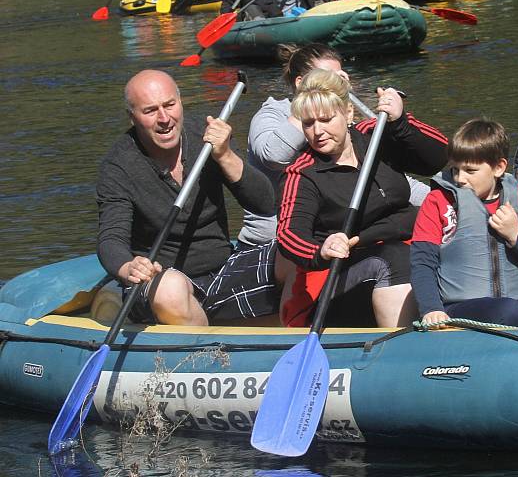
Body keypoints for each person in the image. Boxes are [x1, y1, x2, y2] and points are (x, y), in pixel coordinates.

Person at [96, 70, 280, 326]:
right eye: (150, 111)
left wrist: (225, 156)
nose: (164, 118)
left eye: (170, 105)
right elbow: (111, 239)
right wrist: (128, 268)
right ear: (132, 117)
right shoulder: (118, 166)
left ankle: (297, 344)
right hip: (163, 280)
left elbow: (264, 204)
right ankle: (210, 356)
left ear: (180, 103)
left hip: (223, 268)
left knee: (293, 255)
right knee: (170, 289)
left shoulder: (207, 138)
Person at [277, 69, 448, 328]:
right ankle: (402, 349)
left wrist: (401, 122)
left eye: (326, 119)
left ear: (348, 114)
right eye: (308, 123)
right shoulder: (302, 173)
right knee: (395, 257)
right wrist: (320, 251)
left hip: (408, 242)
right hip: (336, 277)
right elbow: (288, 235)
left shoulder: (376, 133)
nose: (317, 132)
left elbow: (440, 155)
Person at [238, 43, 430, 249]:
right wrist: (308, 105)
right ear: (301, 82)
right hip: (271, 243)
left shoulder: (340, 123)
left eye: (339, 77)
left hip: (337, 236)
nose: (335, 83)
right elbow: (274, 156)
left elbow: (384, 175)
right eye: (327, 77)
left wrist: (437, 199)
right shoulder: (272, 113)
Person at [411, 119, 518, 327]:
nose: (460, 178)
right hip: (459, 308)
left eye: (470, 171)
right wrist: (431, 309)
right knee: (509, 311)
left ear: (498, 167)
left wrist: (516, 235)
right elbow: (422, 263)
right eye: (455, 170)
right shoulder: (438, 201)